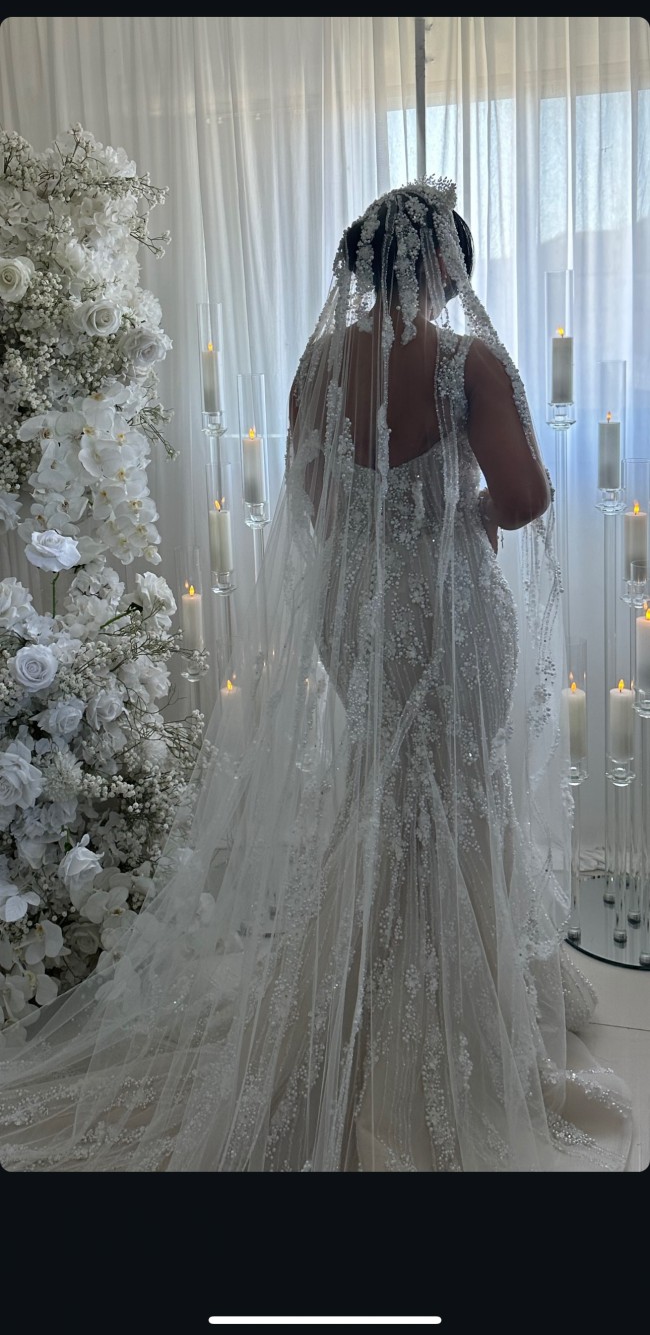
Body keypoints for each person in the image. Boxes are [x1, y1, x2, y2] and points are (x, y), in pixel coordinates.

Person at [0, 176, 633, 1171]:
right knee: (454, 789)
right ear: (443, 265)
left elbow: (313, 503)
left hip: (356, 607)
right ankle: (442, 1023)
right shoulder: (466, 360)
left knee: (386, 785)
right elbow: (521, 499)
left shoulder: (318, 363)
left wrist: (380, 544)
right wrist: (457, 516)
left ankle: (359, 997)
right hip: (447, 605)